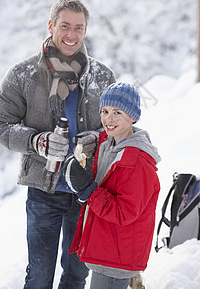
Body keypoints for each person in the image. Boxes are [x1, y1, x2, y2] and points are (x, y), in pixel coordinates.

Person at [0, 0, 116, 289]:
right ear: (51, 26)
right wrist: (35, 141)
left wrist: (98, 138)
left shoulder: (102, 77)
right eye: (64, 25)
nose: (71, 34)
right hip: (43, 191)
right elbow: (2, 125)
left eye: (79, 27)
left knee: (77, 275)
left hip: (87, 191)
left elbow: (117, 129)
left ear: (86, 30)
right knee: (39, 277)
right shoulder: (22, 75)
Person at [64, 82, 161, 289]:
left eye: (117, 112)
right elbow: (106, 185)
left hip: (118, 256)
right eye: (105, 111)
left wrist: (89, 190)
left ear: (132, 116)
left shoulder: (136, 161)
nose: (109, 119)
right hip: (107, 248)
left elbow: (124, 212)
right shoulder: (109, 145)